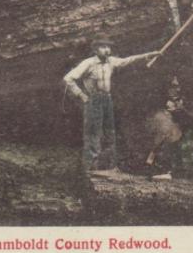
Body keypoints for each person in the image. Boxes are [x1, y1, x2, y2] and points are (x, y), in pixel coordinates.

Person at [64, 33, 160, 172]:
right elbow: (68, 79)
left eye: (108, 47)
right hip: (93, 100)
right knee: (93, 133)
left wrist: (150, 54)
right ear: (95, 49)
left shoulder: (111, 61)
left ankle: (109, 167)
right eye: (103, 47)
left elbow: (129, 60)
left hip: (107, 100)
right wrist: (82, 96)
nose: (107, 50)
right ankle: (92, 169)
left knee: (109, 132)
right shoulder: (88, 63)